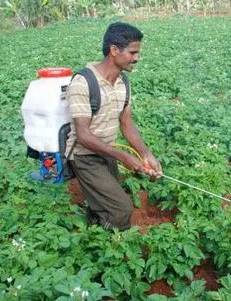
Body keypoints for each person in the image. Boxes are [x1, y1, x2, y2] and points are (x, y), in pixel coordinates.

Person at [66, 22, 162, 231]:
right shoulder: (83, 82)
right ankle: (113, 247)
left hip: (106, 153)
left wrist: (146, 154)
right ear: (114, 50)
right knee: (120, 209)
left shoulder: (123, 82)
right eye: (133, 52)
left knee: (102, 203)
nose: (137, 58)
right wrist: (124, 156)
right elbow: (83, 135)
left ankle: (93, 233)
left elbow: (126, 124)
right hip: (84, 157)